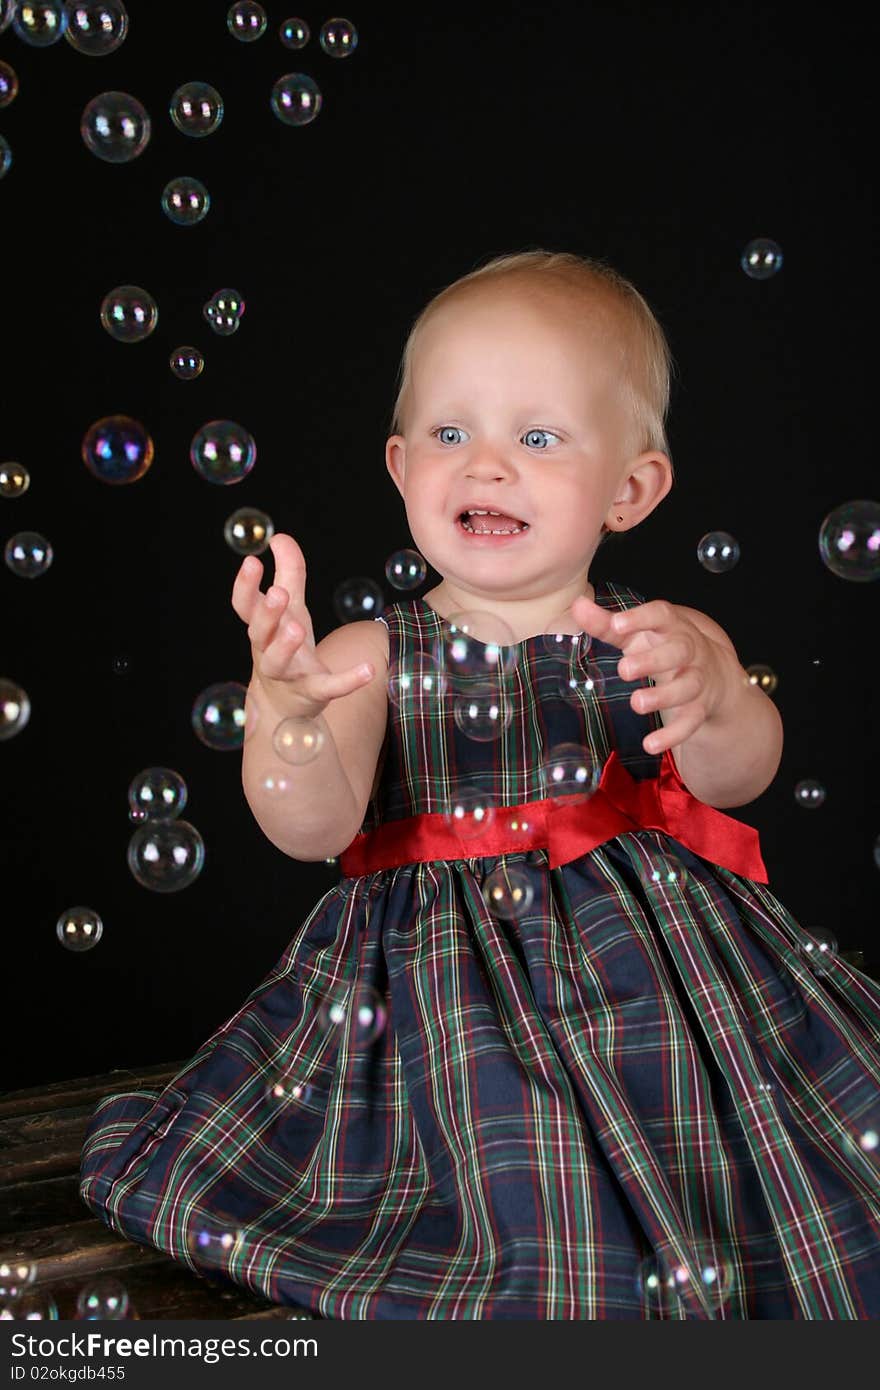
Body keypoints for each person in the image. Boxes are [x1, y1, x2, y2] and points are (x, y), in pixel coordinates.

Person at [79, 250, 880, 1319]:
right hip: (438, 1005)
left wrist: (719, 697)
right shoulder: (370, 652)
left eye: (537, 437)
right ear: (402, 466)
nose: (486, 466)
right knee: (517, 1185)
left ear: (630, 489)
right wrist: (289, 716)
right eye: (450, 435)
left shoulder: (659, 637)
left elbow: (737, 779)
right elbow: (308, 824)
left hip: (662, 990)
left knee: (764, 1160)